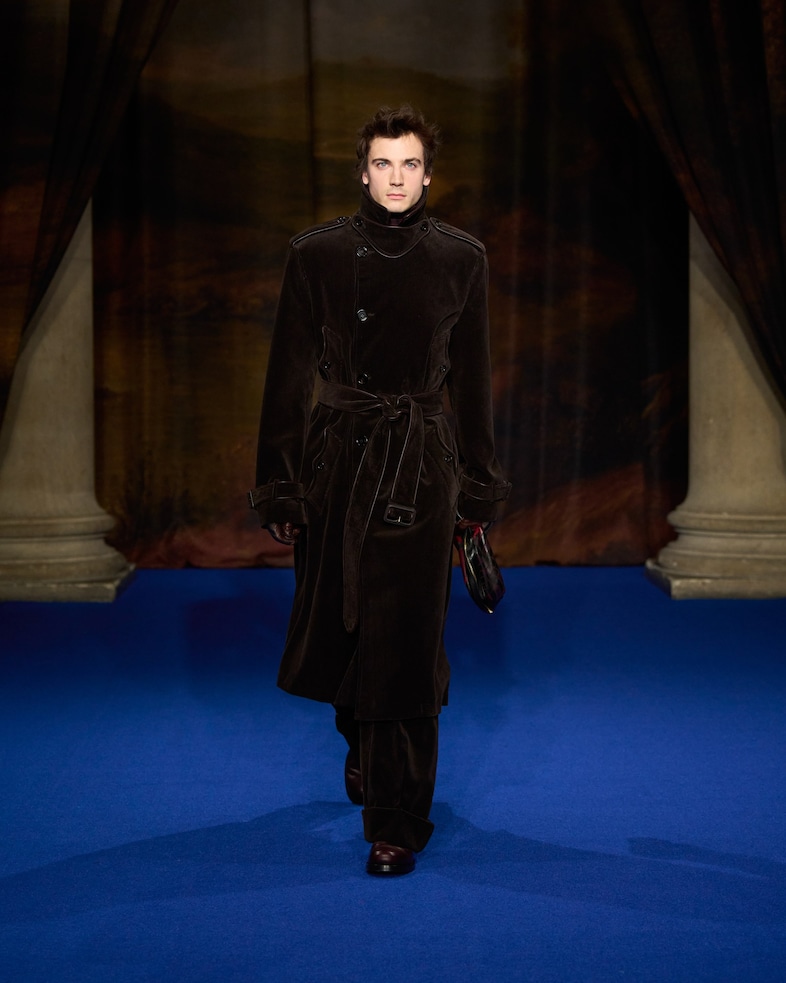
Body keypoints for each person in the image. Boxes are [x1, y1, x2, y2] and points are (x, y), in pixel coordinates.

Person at [249, 104, 510, 876]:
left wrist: (478, 493)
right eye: (383, 163)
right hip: (338, 465)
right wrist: (281, 486)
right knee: (342, 627)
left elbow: (474, 385)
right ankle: (361, 738)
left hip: (421, 470)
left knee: (406, 645)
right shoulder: (317, 255)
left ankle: (397, 820)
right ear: (363, 173)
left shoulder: (462, 259)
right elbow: (287, 377)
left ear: (429, 176)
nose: (397, 177)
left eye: (411, 164)